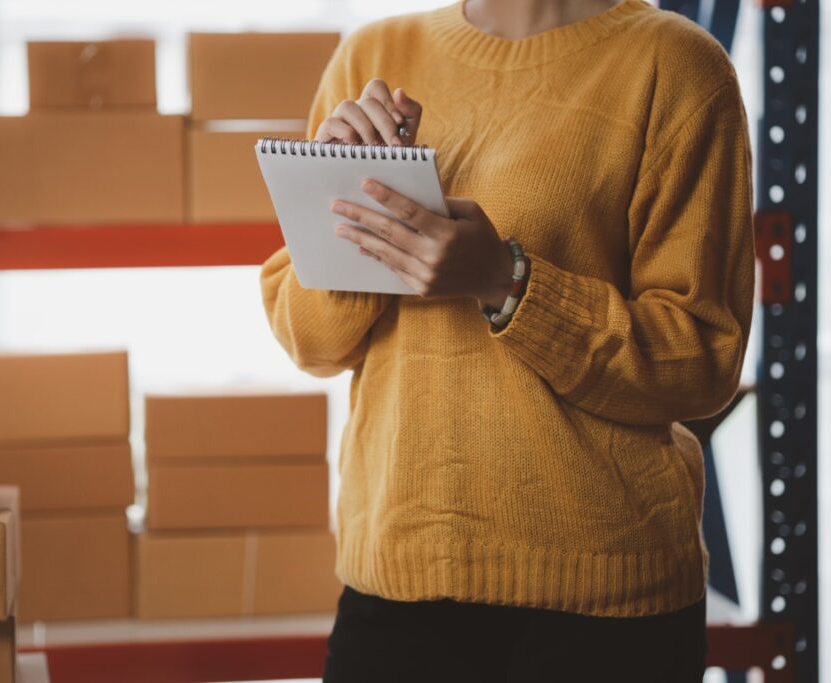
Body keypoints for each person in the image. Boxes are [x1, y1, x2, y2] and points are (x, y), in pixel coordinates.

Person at [259, 0, 755, 680]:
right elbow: (307, 338)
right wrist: (358, 216)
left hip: (607, 610)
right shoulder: (371, 56)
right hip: (396, 591)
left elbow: (701, 358)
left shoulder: (677, 66)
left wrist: (508, 283)